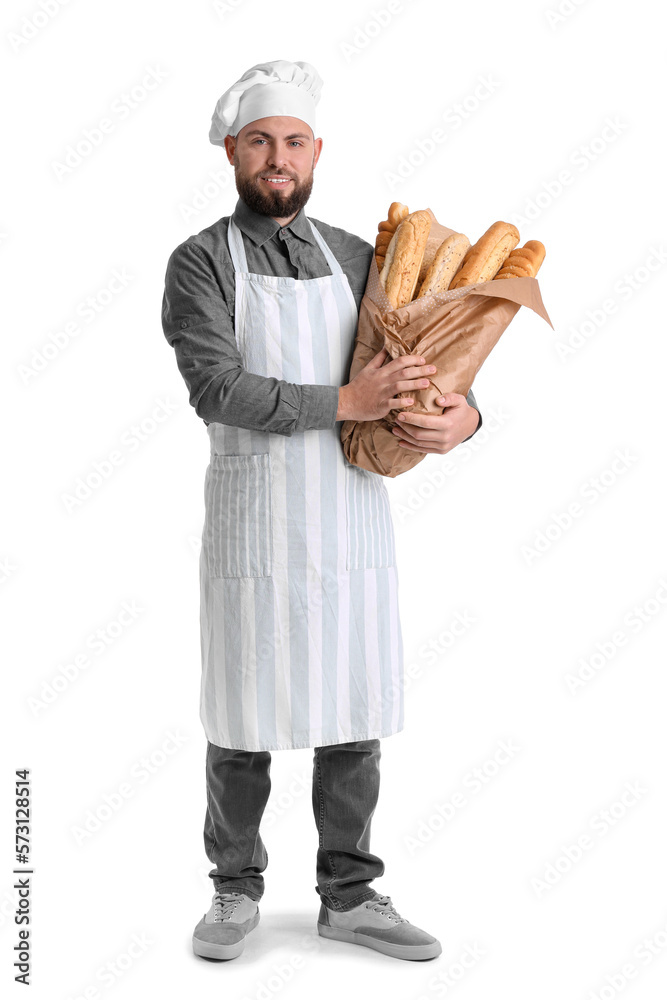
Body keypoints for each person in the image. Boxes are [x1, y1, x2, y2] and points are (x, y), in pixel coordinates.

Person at [161, 59, 483, 964]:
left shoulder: (358, 257)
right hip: (253, 517)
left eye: (293, 142)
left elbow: (435, 359)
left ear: (315, 152)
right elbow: (217, 387)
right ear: (232, 150)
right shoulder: (200, 262)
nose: (278, 158)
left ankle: (349, 893)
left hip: (346, 516)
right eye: (260, 141)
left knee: (353, 704)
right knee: (241, 715)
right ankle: (233, 890)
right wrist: (350, 401)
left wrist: (460, 416)